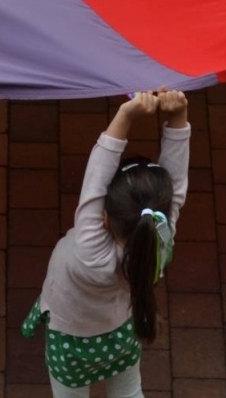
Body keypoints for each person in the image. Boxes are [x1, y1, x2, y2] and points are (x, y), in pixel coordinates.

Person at [22, 90, 191, 398]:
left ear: (104, 219)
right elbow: (174, 189)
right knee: (128, 392)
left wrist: (127, 114)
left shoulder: (91, 253)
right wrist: (177, 117)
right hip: (122, 333)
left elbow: (169, 190)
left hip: (70, 342)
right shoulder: (160, 242)